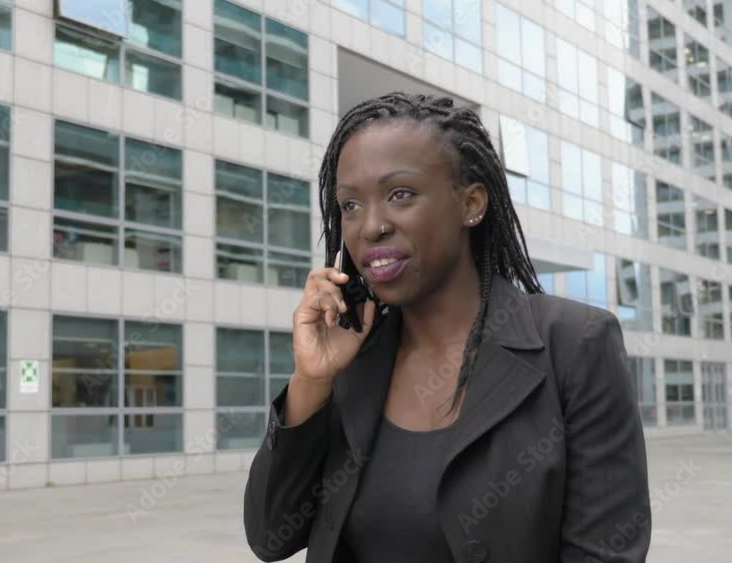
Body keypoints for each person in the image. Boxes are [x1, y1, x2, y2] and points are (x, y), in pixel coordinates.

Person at [242, 93, 650, 563]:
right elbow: (270, 537)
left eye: (400, 194)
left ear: (471, 203)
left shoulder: (574, 344)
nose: (370, 227)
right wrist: (312, 381)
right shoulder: (353, 359)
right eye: (350, 204)